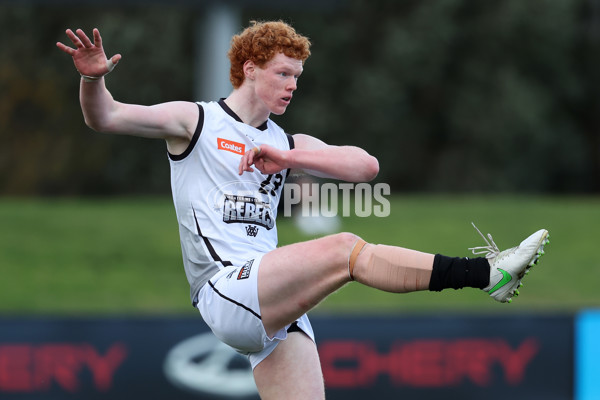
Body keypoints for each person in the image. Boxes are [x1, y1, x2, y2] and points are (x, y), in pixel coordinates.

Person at [57, 21, 550, 399]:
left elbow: (366, 167)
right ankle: (486, 273)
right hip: (227, 288)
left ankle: (489, 276)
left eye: (297, 76)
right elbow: (106, 116)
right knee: (344, 250)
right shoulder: (197, 119)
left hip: (273, 298)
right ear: (249, 69)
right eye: (283, 73)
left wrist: (290, 157)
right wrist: (93, 81)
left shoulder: (287, 141)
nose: (292, 84)